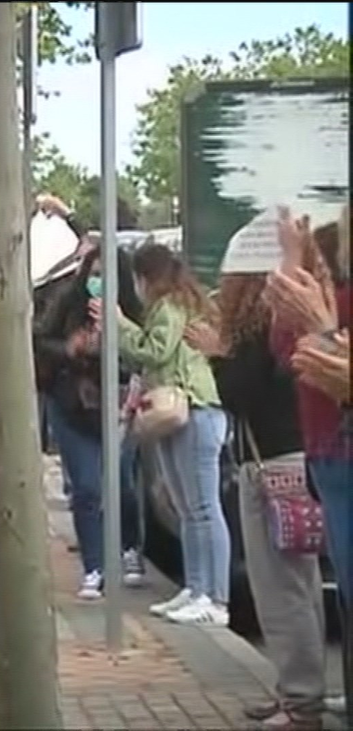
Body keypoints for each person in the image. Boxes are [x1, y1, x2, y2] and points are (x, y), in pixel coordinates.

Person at [185, 269, 329, 728]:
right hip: (293, 457)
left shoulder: (257, 333)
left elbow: (239, 395)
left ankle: (301, 698)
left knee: (280, 590)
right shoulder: (286, 326)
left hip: (269, 465)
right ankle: (299, 690)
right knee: (301, 586)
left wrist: (216, 355)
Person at [106, 242, 229, 625]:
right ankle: (196, 587)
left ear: (144, 278)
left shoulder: (169, 307)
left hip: (194, 409)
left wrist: (120, 325)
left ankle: (215, 597)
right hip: (181, 411)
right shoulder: (179, 304)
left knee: (203, 508)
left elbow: (155, 351)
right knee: (188, 509)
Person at [265, 208, 351, 716]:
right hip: (325, 452)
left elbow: (322, 357)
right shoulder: (327, 295)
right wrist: (293, 258)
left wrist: (321, 326)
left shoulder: (339, 301)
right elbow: (285, 348)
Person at [35, 246, 147, 599]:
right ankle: (94, 566)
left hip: (119, 408)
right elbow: (41, 341)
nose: (99, 282)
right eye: (94, 274)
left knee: (121, 484)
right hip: (72, 406)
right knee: (85, 487)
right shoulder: (67, 304)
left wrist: (116, 335)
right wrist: (71, 348)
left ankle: (129, 547)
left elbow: (145, 356)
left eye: (107, 275)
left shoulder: (133, 313)